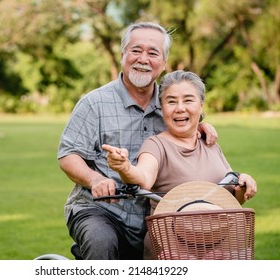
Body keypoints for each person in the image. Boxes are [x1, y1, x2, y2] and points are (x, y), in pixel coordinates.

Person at [57, 22, 218, 260]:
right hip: (100, 210)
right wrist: (96, 180)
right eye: (136, 50)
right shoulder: (94, 103)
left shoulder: (170, 104)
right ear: (123, 55)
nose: (143, 59)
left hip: (159, 213)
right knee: (102, 242)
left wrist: (201, 126)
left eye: (153, 53)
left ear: (163, 63)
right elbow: (68, 155)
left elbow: (188, 122)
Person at [102, 69, 257, 259]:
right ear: (162, 107)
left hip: (218, 244)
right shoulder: (156, 145)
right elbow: (143, 178)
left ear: (201, 106)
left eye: (188, 100)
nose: (180, 108)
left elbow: (230, 200)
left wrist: (244, 183)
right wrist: (124, 167)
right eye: (171, 101)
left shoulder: (211, 144)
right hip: (172, 249)